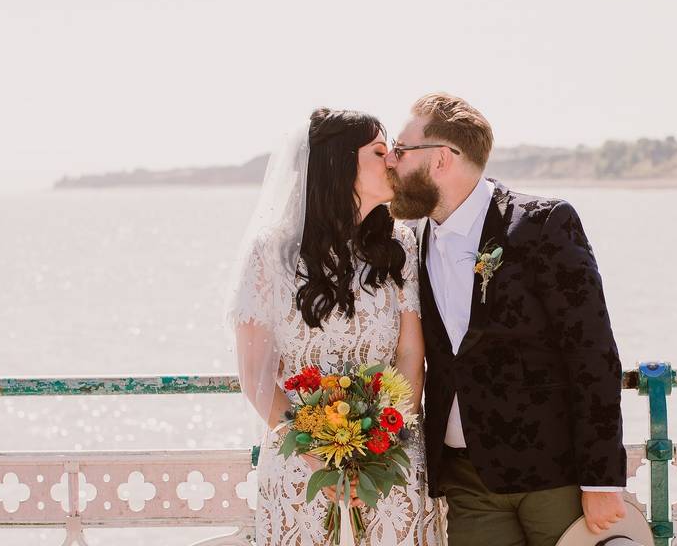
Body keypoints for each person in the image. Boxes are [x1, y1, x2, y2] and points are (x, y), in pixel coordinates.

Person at [386, 93, 627, 546]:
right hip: (465, 480)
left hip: (553, 478)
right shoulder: (411, 241)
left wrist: (602, 480)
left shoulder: (542, 224)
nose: (391, 162)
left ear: (440, 158)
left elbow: (592, 351)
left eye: (400, 149)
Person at [225, 108, 444, 545]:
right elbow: (255, 376)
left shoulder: (399, 245)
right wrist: (318, 457)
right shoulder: (270, 253)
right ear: (338, 164)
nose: (393, 161)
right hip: (300, 467)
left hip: (389, 459)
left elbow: (409, 358)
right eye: (379, 152)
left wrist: (381, 445)